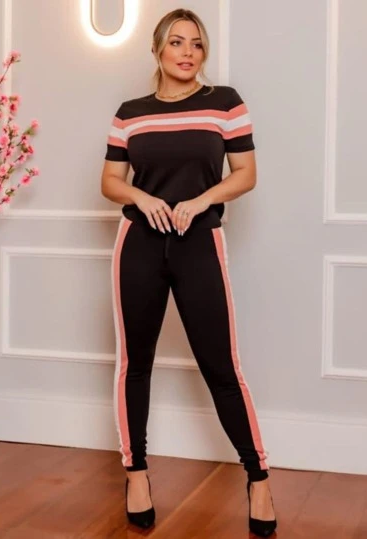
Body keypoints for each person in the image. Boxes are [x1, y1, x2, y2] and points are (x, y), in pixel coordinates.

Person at [101, 8, 277, 537]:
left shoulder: (224, 103)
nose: (187, 53)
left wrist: (201, 200)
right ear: (157, 49)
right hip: (138, 244)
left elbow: (246, 174)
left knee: (222, 366)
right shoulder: (130, 113)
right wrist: (141, 197)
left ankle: (258, 478)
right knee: (135, 364)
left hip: (198, 242)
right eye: (176, 42)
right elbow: (110, 181)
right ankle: (136, 474)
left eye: (197, 44)